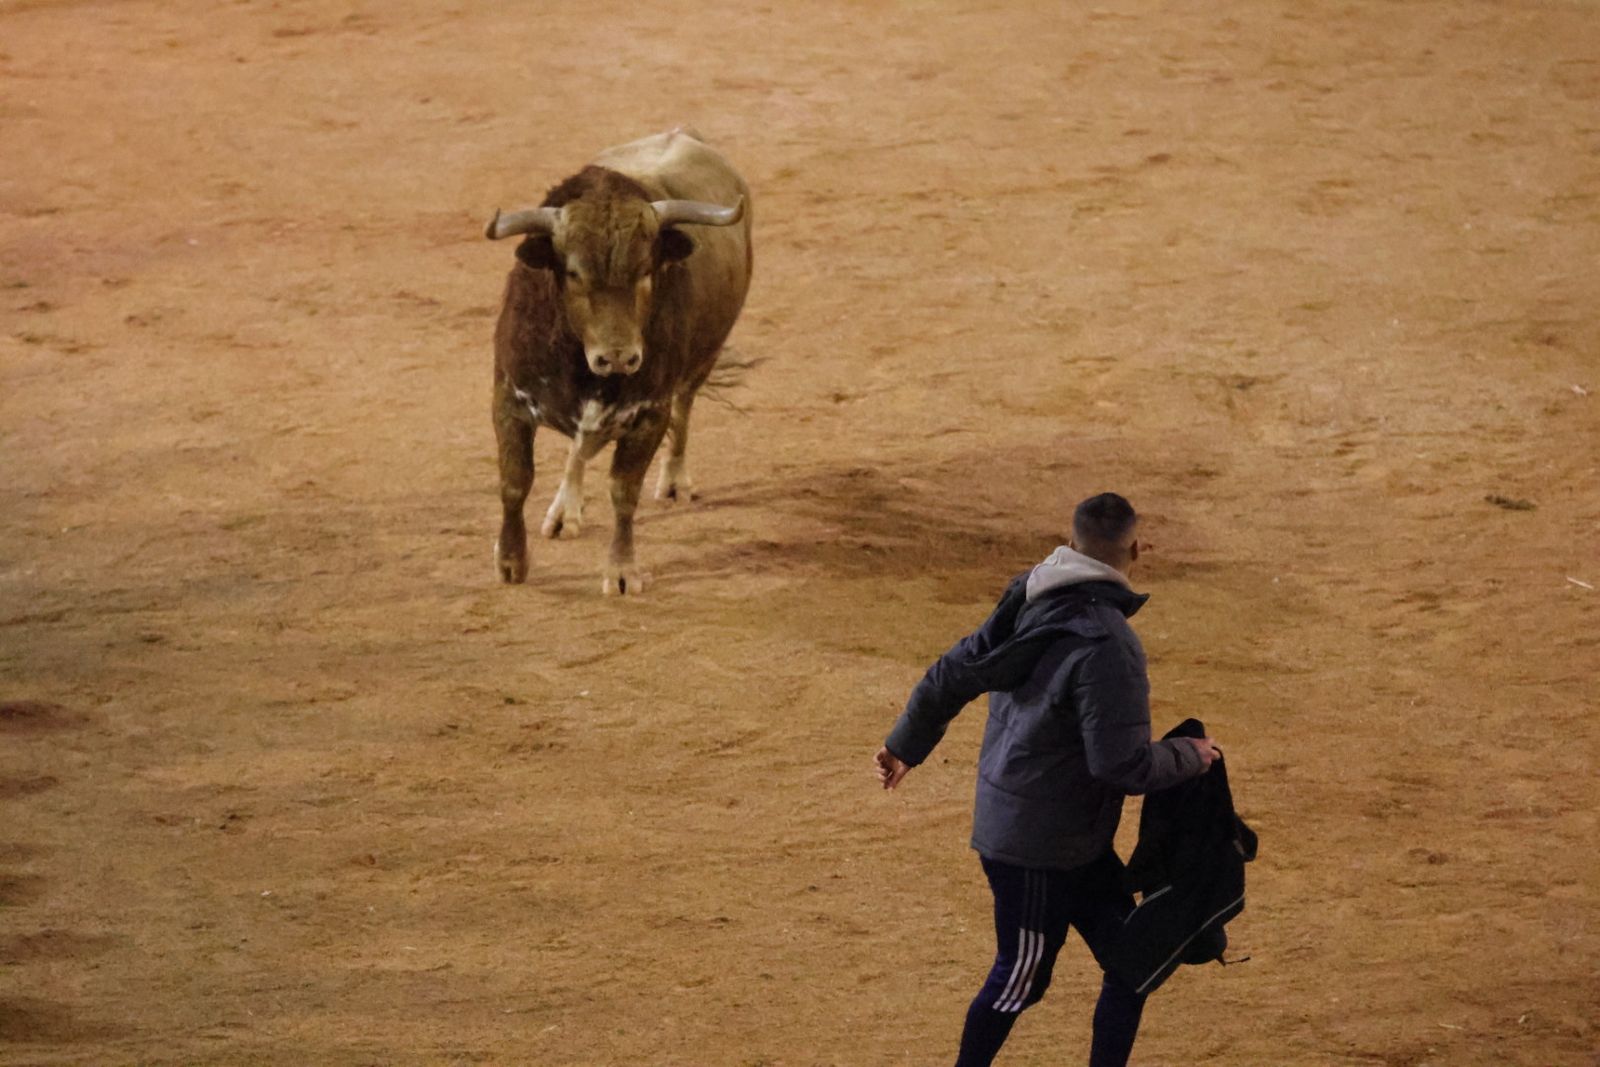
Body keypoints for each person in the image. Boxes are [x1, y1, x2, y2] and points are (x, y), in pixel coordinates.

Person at [874, 492, 1220, 1067]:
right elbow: (1122, 765)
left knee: (1134, 959)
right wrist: (1190, 754)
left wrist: (904, 743)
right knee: (1020, 980)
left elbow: (953, 670)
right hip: (1038, 849)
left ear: (1074, 540)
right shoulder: (1109, 644)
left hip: (1062, 835)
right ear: (1139, 548)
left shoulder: (1031, 594)